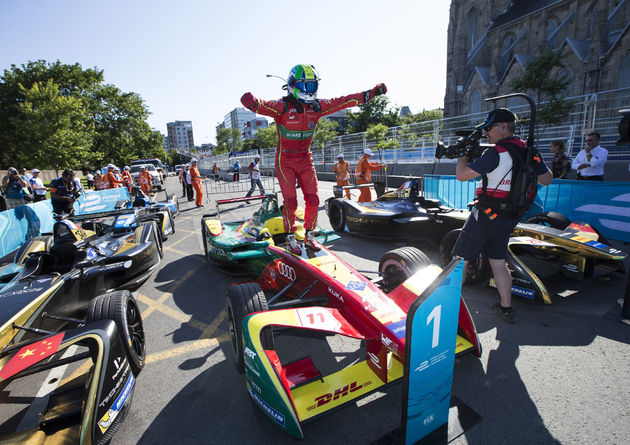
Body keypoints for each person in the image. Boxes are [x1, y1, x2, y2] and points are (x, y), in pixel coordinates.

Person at [241, 63, 386, 253]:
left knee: (314, 199)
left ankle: (309, 235)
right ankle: (290, 237)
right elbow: (260, 105)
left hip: (304, 159)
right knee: (291, 202)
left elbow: (345, 100)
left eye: (313, 85)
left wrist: (371, 93)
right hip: (284, 161)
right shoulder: (283, 106)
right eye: (305, 85)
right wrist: (250, 101)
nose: (310, 90)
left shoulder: (318, 107)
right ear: (293, 85)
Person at [453, 108, 552, 323]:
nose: (487, 133)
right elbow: (547, 179)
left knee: (459, 260)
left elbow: (462, 176)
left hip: (486, 215)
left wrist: (462, 156)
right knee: (497, 261)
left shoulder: (496, 153)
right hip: (511, 216)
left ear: (503, 127)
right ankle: (506, 307)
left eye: (489, 128)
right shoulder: (530, 151)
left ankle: (449, 308)